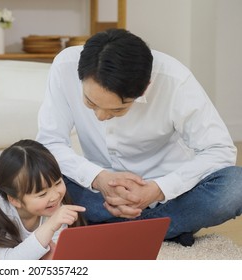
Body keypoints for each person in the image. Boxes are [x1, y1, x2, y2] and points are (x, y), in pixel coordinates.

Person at [36, 28, 242, 246]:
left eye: (117, 110)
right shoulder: (64, 66)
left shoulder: (175, 80)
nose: (101, 116)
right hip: (95, 195)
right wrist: (98, 178)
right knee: (25, 175)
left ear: (145, 88)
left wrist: (158, 189)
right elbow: (50, 142)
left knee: (235, 186)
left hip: (167, 198)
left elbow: (219, 150)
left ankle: (106, 229)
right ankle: (161, 229)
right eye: (90, 103)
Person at [0, 139, 86, 260]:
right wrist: (50, 226)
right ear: (14, 200)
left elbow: (51, 248)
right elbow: (11, 261)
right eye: (42, 194)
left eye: (57, 183)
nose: (55, 196)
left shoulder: (52, 205)